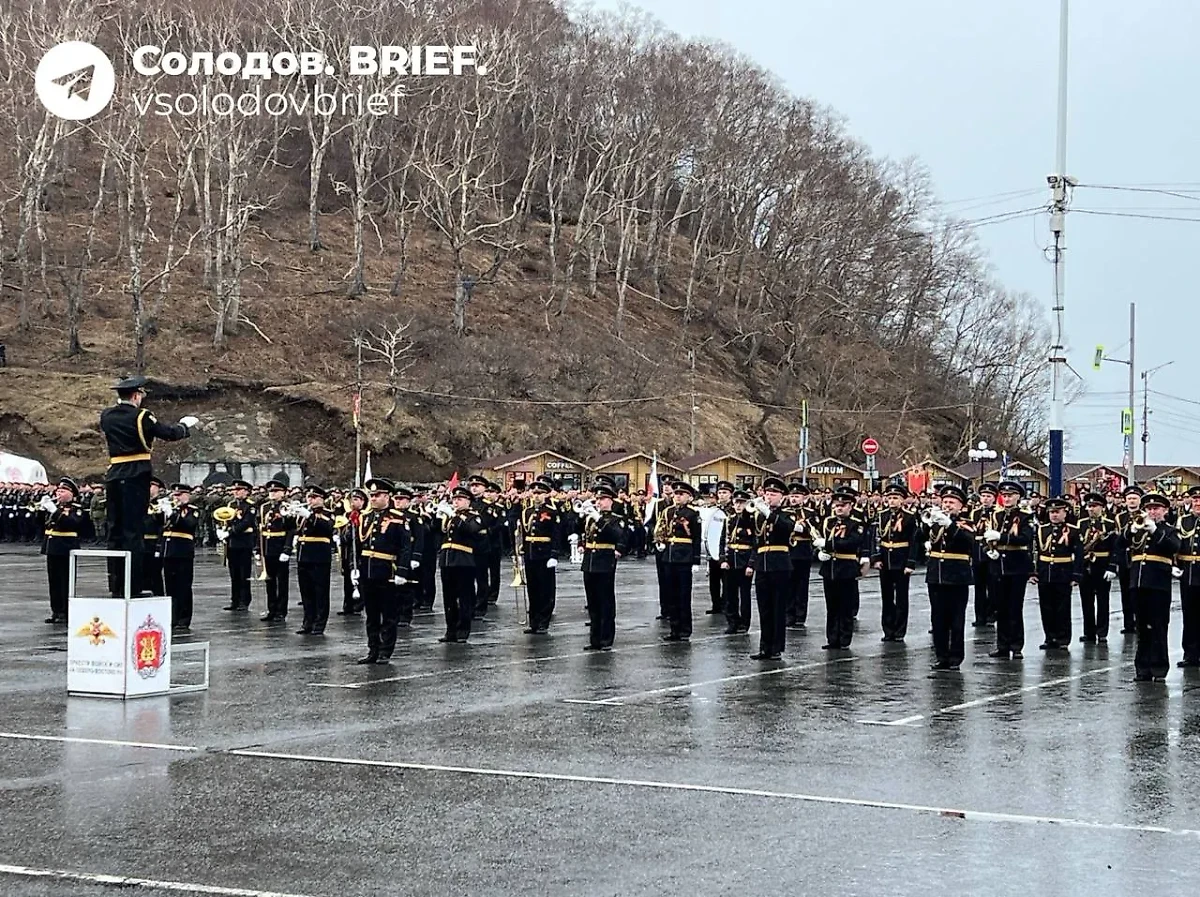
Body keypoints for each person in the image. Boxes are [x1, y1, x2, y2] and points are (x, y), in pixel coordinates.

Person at [99, 376, 195, 598]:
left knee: (115, 530)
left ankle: (116, 585)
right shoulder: (143, 416)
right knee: (133, 531)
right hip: (136, 473)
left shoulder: (107, 416)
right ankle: (132, 587)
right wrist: (184, 426)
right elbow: (167, 433)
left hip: (114, 473)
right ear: (136, 395)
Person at [909, 484, 976, 670]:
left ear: (961, 506)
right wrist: (927, 524)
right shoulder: (936, 521)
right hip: (936, 575)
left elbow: (968, 543)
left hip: (957, 575)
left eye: (951, 502)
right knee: (938, 618)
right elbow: (918, 537)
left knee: (956, 619)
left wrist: (951, 525)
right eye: (945, 501)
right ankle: (941, 656)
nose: (947, 505)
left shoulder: (966, 523)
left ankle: (955, 657)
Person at [1124, 491, 1180, 682]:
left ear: (1165, 510)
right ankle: (1143, 668)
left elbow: (1173, 547)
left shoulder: (1168, 530)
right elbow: (1120, 543)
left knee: (1158, 626)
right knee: (1142, 628)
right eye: (1148, 509)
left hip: (1158, 584)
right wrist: (1129, 531)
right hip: (1138, 582)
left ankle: (1159, 668)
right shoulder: (1137, 528)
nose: (1152, 512)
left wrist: (1154, 530)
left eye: (1156, 509)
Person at [357, 478, 413, 664]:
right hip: (368, 570)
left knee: (388, 614)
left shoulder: (398, 518)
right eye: (371, 495)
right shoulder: (366, 517)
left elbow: (405, 547)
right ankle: (373, 649)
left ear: (387, 496)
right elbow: (359, 545)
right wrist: (354, 568)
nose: (372, 499)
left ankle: (385, 651)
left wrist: (402, 572)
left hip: (387, 569)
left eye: (377, 495)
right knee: (371, 614)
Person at [984, 481, 1035, 660]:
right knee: (1000, 608)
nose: (1006, 498)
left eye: (1010, 495)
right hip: (998, 566)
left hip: (1016, 566)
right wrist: (989, 550)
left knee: (1014, 607)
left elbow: (1025, 538)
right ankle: (1002, 645)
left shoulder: (1025, 516)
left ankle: (1016, 645)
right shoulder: (996, 515)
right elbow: (987, 537)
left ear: (1018, 497)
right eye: (1004, 496)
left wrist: (1002, 537)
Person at [815, 487, 864, 650]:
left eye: (843, 505)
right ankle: (832, 638)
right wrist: (819, 552)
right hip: (830, 568)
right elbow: (818, 540)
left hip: (846, 568)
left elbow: (851, 543)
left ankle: (844, 639)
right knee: (832, 606)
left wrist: (827, 545)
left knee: (845, 606)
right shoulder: (828, 522)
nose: (839, 508)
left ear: (850, 507)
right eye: (836, 505)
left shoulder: (856, 524)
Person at [751, 477, 794, 660]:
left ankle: (776, 647)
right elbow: (755, 539)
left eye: (773, 494)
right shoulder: (759, 514)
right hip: (763, 564)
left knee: (778, 607)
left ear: (782, 497)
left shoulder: (787, 513)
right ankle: (764, 647)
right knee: (764, 608)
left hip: (780, 563)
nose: (769, 497)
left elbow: (787, 527)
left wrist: (769, 514)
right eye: (767, 493)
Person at [581, 484, 628, 650]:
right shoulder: (590, 517)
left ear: (610, 500)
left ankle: (606, 639)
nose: (599, 502)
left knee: (605, 601)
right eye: (597, 499)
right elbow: (585, 534)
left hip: (605, 561)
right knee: (593, 602)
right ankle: (595, 639)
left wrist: (599, 519)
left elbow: (616, 535)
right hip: (590, 561)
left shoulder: (616, 519)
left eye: (602, 499)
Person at [1032, 496, 1081, 651]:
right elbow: (1036, 552)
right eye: (1052, 512)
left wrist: (1076, 575)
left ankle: (1063, 638)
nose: (1054, 515)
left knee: (1062, 608)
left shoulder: (1073, 531)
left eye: (1058, 512)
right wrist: (1033, 572)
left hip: (1063, 571)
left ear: (1064, 513)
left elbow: (1078, 554)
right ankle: (1049, 637)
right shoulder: (1042, 529)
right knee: (1046, 607)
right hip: (1046, 572)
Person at [438, 484, 484, 643]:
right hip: (447, 559)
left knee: (464, 596)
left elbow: (472, 530)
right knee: (448, 598)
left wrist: (457, 517)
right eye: (454, 499)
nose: (456, 502)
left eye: (460, 499)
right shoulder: (450, 516)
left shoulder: (473, 516)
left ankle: (463, 629)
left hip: (464, 560)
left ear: (468, 501)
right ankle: (450, 630)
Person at [872, 483, 918, 642]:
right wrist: (876, 558)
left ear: (902, 500)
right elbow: (877, 538)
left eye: (895, 498)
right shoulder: (881, 515)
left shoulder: (909, 517)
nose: (892, 501)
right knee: (886, 597)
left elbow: (913, 541)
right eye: (890, 498)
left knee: (901, 598)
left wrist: (910, 563)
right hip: (885, 560)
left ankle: (899, 630)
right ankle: (887, 629)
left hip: (901, 559)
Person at [659, 479, 701, 642]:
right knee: (671, 594)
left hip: (684, 556)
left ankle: (685, 629)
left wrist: (696, 560)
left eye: (681, 494)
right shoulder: (668, 511)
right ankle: (674, 629)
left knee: (683, 595)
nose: (677, 496)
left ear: (688, 497)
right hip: (669, 555)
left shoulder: (692, 514)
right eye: (676, 494)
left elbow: (696, 538)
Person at [520, 477, 563, 635]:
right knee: (533, 588)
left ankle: (544, 621)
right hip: (530, 553)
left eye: (540, 493)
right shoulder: (527, 511)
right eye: (534, 493)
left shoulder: (551, 512)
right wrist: (521, 550)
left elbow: (556, 534)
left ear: (546, 495)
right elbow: (524, 533)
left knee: (545, 588)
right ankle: (534, 621)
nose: (536, 496)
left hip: (544, 553)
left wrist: (554, 554)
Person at [293, 485, 335, 636]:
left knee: (320, 591)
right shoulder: (303, 514)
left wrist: (309, 516)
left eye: (314, 497)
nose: (310, 500)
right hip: (303, 555)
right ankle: (308, 622)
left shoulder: (328, 513)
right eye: (308, 497)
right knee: (306, 592)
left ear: (322, 499)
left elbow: (327, 528)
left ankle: (319, 623)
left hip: (319, 556)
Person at [42, 478, 83, 625]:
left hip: (66, 547)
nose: (59, 493)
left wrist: (55, 511)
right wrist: (43, 509)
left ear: (71, 494)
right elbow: (44, 526)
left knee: (65, 580)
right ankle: (56, 610)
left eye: (63, 491)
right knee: (53, 581)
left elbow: (72, 524)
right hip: (52, 546)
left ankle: (65, 611)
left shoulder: (76, 508)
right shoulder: (55, 507)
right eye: (58, 490)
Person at [1077, 492, 1117, 644]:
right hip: (1086, 565)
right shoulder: (1081, 524)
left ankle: (1102, 632)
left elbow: (1115, 547)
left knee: (1102, 600)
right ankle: (1089, 632)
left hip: (1102, 564)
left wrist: (1112, 567)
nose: (1091, 509)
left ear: (1102, 507)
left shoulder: (1109, 524)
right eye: (1089, 506)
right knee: (1086, 600)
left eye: (1094, 506)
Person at [720, 489, 758, 634]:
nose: (738, 505)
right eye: (736, 502)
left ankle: (744, 623)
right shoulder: (729, 520)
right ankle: (732, 621)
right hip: (730, 560)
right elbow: (723, 541)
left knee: (745, 595)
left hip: (744, 559)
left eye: (741, 503)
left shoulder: (751, 520)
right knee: (730, 594)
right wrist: (722, 559)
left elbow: (755, 543)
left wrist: (751, 564)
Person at [161, 484, 199, 631]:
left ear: (187, 495)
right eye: (175, 495)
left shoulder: (192, 511)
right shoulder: (170, 509)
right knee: (170, 587)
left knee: (183, 586)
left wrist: (173, 514)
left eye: (179, 495)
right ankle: (172, 617)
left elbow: (188, 525)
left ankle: (184, 618)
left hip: (183, 551)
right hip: (168, 551)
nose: (176, 497)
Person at [220, 481, 257, 612]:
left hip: (244, 542)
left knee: (243, 573)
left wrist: (230, 532)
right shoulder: (231, 505)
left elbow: (246, 523)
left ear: (247, 491)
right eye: (235, 490)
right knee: (234, 573)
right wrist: (223, 529)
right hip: (232, 543)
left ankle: (244, 600)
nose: (236, 492)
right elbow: (226, 518)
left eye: (239, 490)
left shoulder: (250, 506)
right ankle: (234, 600)